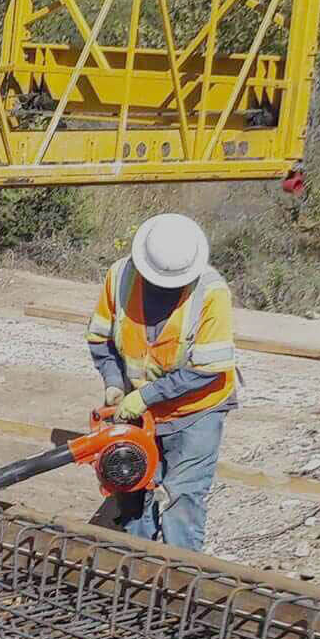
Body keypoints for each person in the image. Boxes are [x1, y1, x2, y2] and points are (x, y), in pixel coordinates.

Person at [85, 213, 237, 550]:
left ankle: (179, 580)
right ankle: (138, 567)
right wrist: (114, 382)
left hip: (196, 412)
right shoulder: (120, 277)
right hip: (139, 411)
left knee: (183, 498)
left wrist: (146, 396)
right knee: (132, 483)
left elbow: (206, 369)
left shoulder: (211, 293)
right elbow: (100, 339)